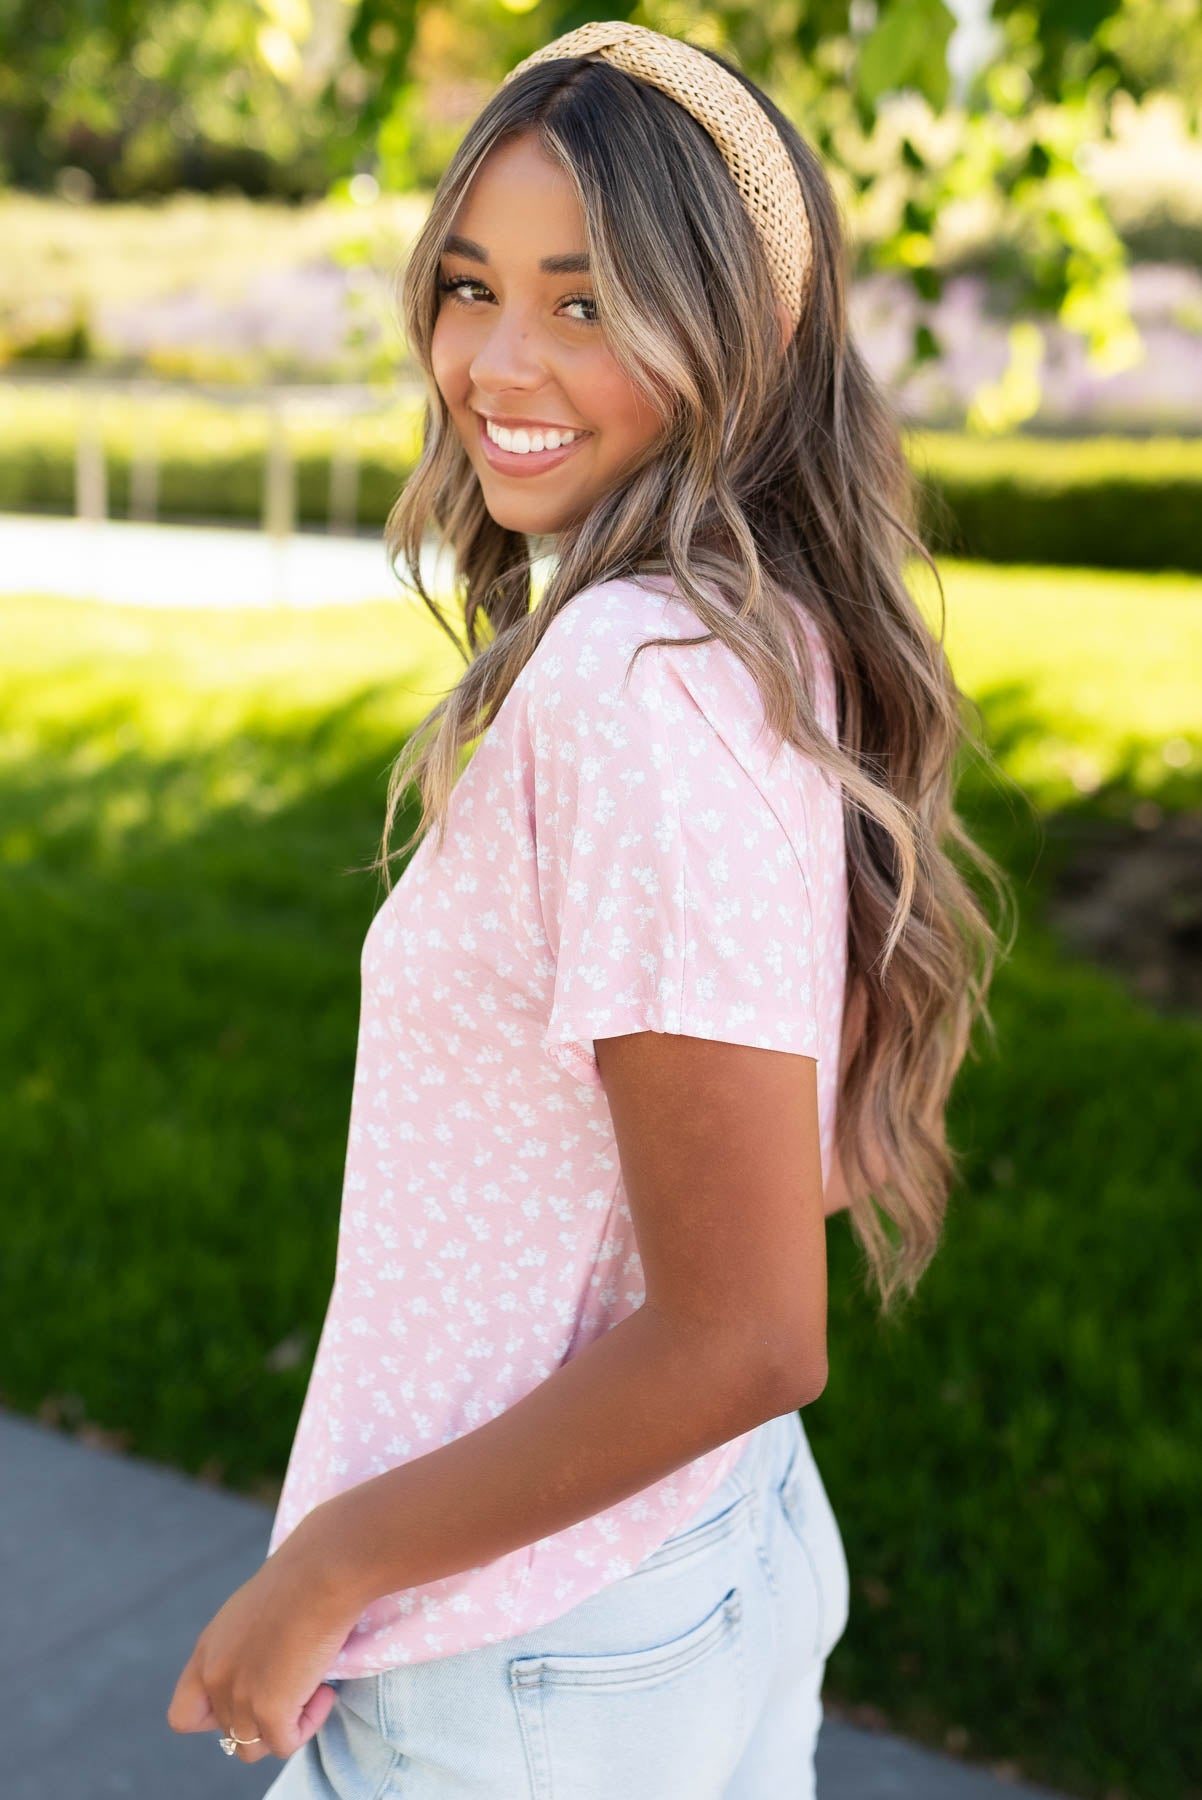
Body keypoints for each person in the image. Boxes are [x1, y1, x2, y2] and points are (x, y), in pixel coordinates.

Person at [167, 21, 1012, 1797]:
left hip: (527, 1649)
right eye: (470, 285)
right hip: (693, 1557)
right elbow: (807, 1157)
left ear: (742, 331)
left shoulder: (633, 680)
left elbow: (746, 1328)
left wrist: (320, 1575)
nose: (492, 360)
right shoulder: (762, 625)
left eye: (586, 302)